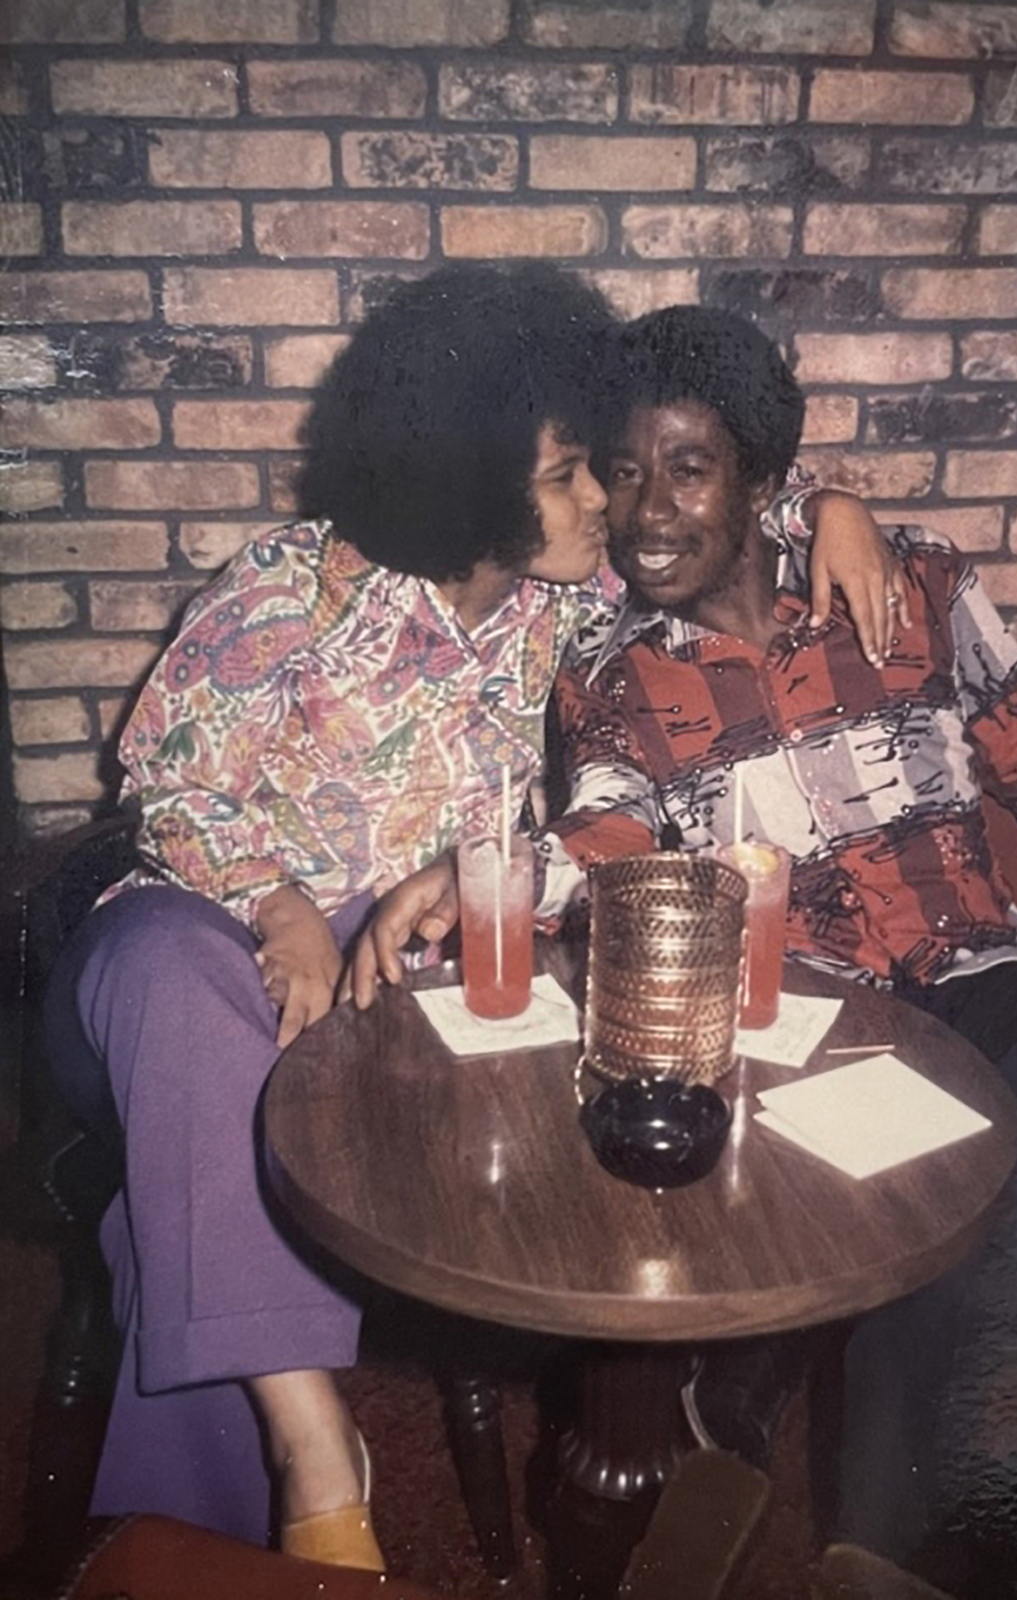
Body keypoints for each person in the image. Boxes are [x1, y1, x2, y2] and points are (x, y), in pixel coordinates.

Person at [43, 265, 900, 1567]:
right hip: (196, 921)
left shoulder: (570, 602)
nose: (599, 499)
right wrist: (277, 910)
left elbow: (720, 502)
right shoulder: (289, 591)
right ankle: (310, 1442)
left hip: (420, 944)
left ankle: (186, 1541)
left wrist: (841, 500)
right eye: (566, 476)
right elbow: (165, 787)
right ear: (465, 476)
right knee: (184, 1003)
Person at [519, 306, 1017, 1588]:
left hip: (989, 999)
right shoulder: (609, 674)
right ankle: (883, 1539)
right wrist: (515, 884)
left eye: (687, 466)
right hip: (819, 1041)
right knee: (943, 1202)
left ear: (765, 481)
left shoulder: (918, 584)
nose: (646, 509)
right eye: (622, 470)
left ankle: (779, 1386)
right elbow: (608, 823)